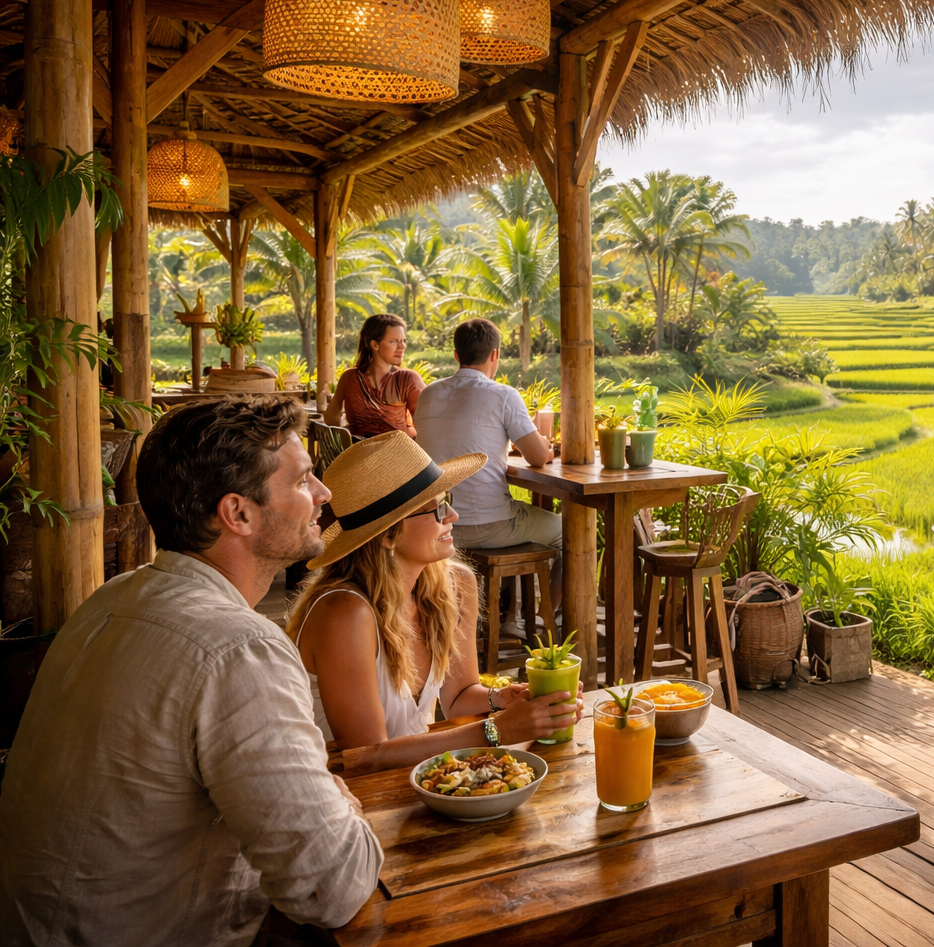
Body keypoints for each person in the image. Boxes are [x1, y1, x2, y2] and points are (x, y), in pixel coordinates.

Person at [0, 397, 382, 946]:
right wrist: (340, 802)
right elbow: (331, 887)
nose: (323, 493)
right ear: (239, 514)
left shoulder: (113, 599)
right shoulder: (241, 649)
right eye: (302, 481)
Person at [287, 431, 582, 774]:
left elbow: (458, 699)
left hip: (420, 784)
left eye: (448, 499)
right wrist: (497, 730)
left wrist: (504, 698)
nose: (452, 515)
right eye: (436, 508)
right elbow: (365, 756)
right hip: (347, 798)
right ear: (387, 534)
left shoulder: (455, 585)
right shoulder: (345, 613)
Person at [413, 318, 562, 611]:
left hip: (438, 523)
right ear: (495, 354)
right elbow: (537, 456)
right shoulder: (504, 395)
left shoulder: (428, 394)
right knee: (570, 530)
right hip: (488, 526)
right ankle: (550, 622)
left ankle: (508, 614)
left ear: (456, 355)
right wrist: (546, 443)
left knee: (525, 516)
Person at [324, 312, 425, 438]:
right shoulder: (350, 378)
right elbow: (425, 425)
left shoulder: (408, 379)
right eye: (393, 341)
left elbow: (331, 420)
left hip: (365, 451)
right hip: (388, 453)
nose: (402, 346)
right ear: (375, 345)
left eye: (403, 341)